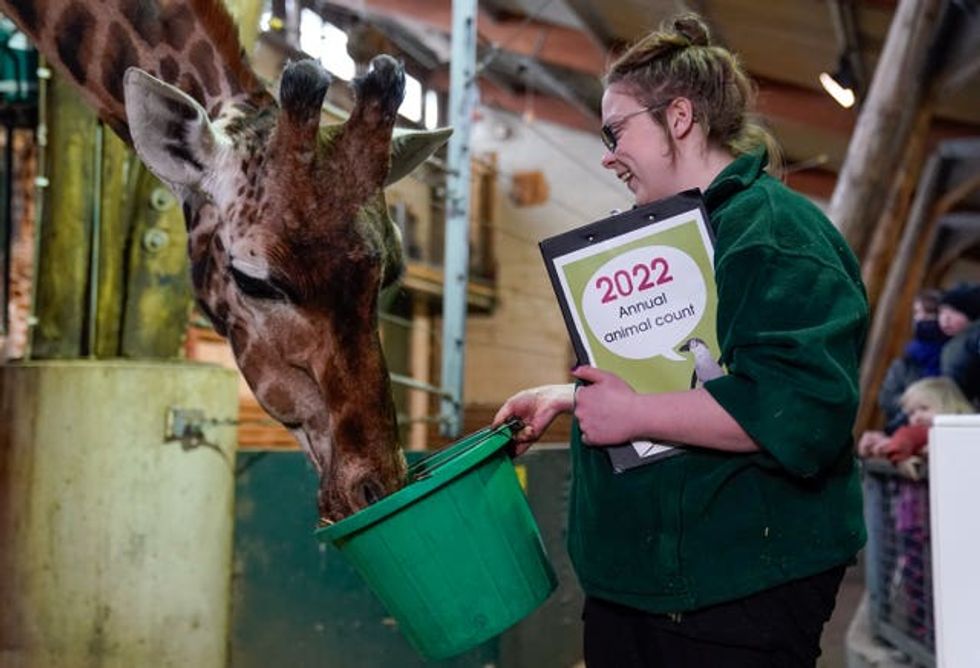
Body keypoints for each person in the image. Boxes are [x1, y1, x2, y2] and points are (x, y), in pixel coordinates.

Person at [493, 13, 868, 667]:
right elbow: (689, 373)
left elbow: (795, 406)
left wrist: (634, 413)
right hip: (639, 590)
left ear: (681, 116)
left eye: (616, 131)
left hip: (730, 598)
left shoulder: (773, 232)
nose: (607, 155)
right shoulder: (667, 235)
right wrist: (571, 397)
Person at [876, 289, 946, 434]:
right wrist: (917, 406)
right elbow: (887, 398)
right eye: (917, 313)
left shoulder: (951, 356)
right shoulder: (905, 362)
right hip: (906, 427)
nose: (921, 319)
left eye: (929, 313)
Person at [937, 283, 980, 406]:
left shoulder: (970, 340)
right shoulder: (956, 343)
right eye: (941, 312)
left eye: (954, 311)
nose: (945, 318)